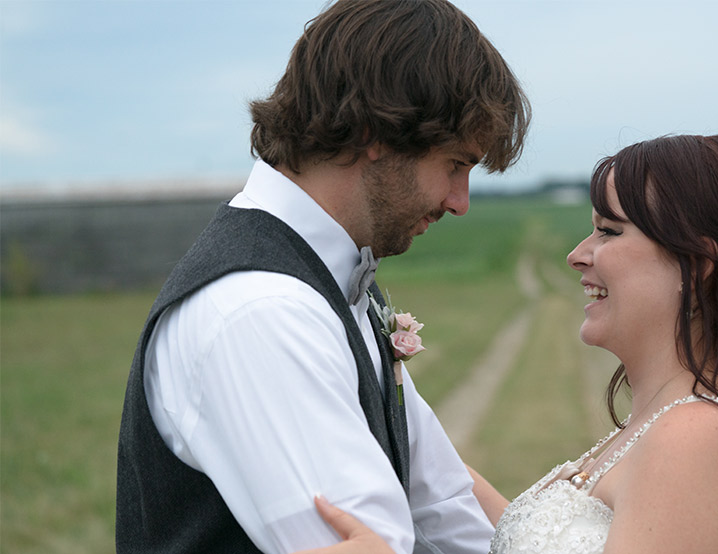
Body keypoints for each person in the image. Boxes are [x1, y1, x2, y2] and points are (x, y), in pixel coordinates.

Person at [307, 134, 718, 554]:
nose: (577, 254)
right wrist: (383, 403)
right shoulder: (664, 426)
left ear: (699, 264)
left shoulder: (696, 439)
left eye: (609, 232)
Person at [115, 1, 530, 552]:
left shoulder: (335, 280)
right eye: (454, 163)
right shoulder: (261, 310)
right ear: (374, 130)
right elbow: (374, 540)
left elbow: (440, 500)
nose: (461, 202)